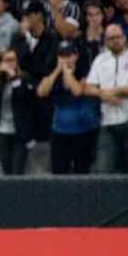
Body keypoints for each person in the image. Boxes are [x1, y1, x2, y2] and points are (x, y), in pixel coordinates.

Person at [85, 24, 128, 174]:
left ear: (124, 38)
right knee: (103, 169)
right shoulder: (100, 60)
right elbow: (89, 87)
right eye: (111, 38)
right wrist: (103, 94)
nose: (115, 41)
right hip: (108, 121)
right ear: (105, 41)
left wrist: (117, 90)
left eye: (118, 37)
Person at [37, 41, 99, 174]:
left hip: (83, 130)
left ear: (76, 55)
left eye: (69, 55)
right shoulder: (53, 71)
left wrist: (68, 73)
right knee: (59, 171)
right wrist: (57, 70)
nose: (66, 58)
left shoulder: (84, 70)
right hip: (59, 131)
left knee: (82, 171)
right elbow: (41, 91)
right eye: (62, 55)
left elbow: (77, 91)